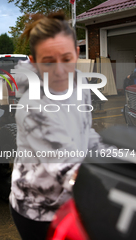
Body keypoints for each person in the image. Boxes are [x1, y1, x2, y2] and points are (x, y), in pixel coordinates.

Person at [9, 12, 111, 240]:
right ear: (34, 61)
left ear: (76, 53)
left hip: (74, 197)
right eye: (48, 61)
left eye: (66, 59)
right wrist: (112, 188)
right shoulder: (33, 107)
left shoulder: (79, 82)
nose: (60, 71)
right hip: (39, 210)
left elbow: (85, 133)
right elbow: (65, 166)